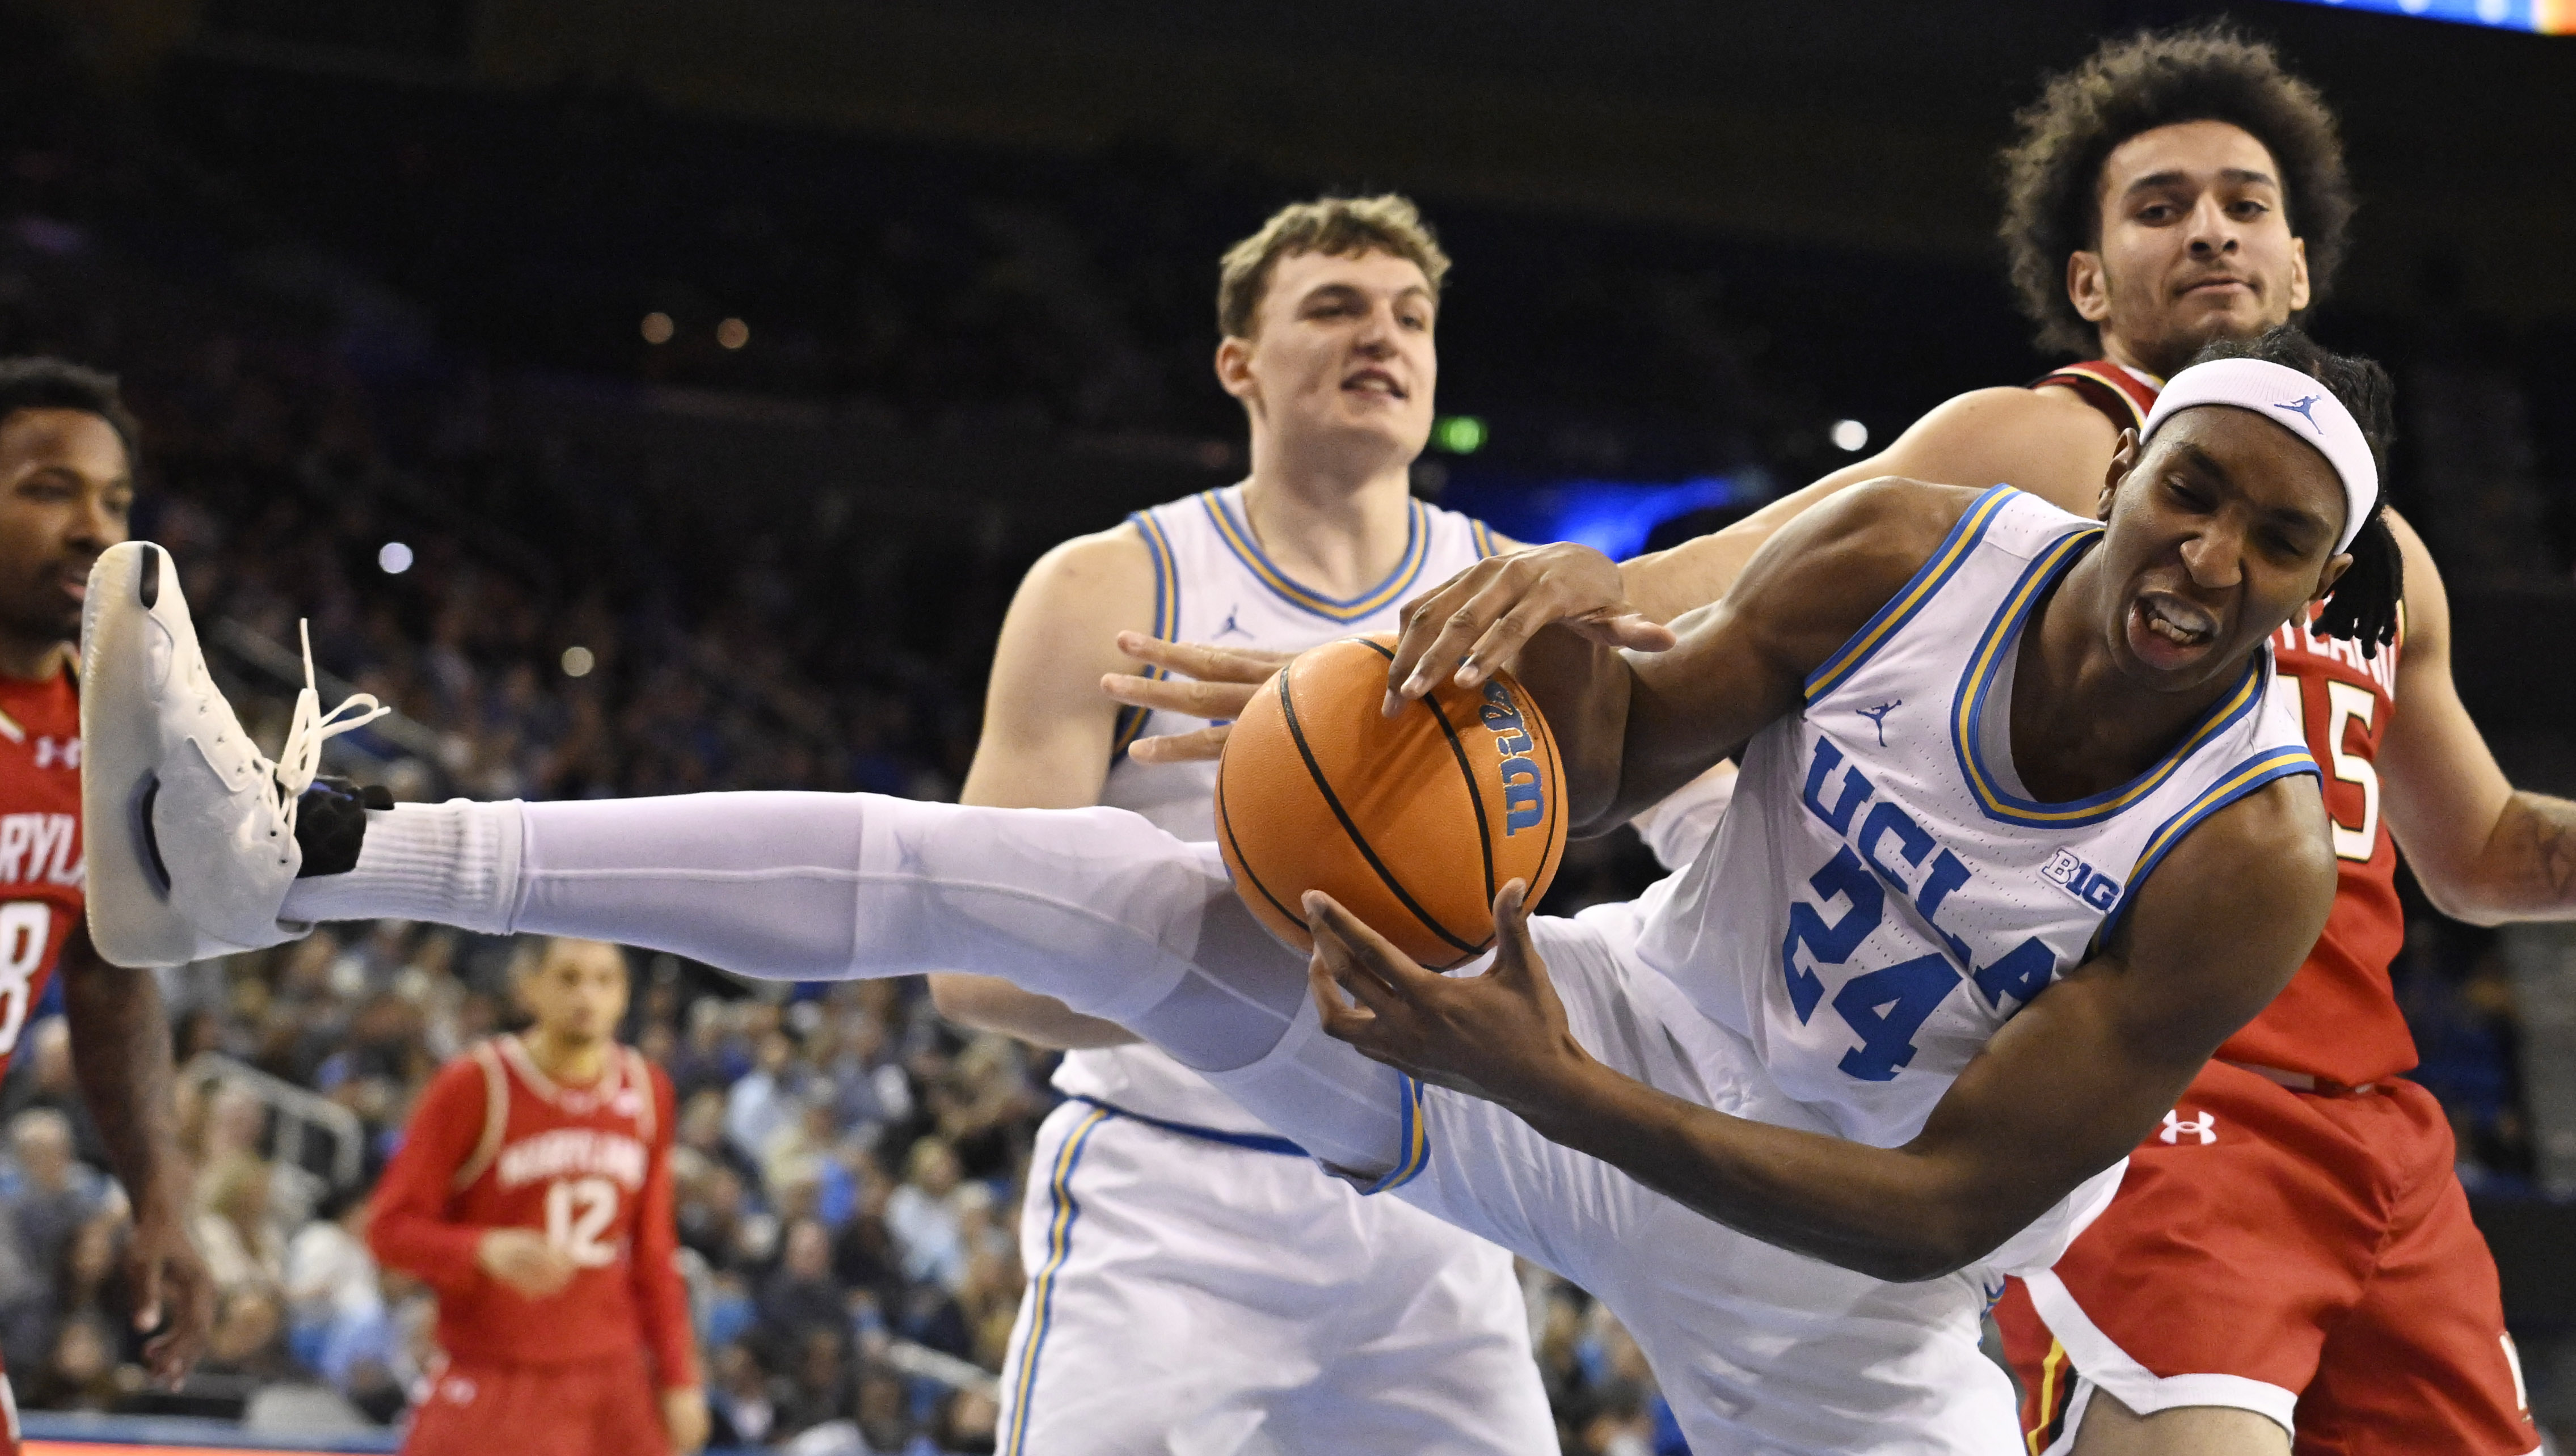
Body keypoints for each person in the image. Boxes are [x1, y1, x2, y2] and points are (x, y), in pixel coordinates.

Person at [83, 321, 2396, 1451]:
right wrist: (1470, 654)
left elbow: (1928, 1206)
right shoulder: (1912, 545)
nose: (2203, 554)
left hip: (1838, 1299)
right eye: (2184, 488)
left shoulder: (2243, 857)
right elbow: (1617, 767)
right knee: (1069, 877)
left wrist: (1539, 1076)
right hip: (1590, 1032)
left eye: (2268, 542)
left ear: (2312, 587)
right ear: (2129, 472)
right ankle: (298, 857)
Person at [1198, 27, 2535, 1455]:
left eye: (2242, 202)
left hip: (2372, 1120)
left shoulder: (2378, 552)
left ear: (2299, 267)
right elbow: (1691, 587)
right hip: (2140, 1095)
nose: (2207, 227)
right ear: (2086, 284)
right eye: (2157, 207)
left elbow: (2476, 851)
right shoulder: (2025, 441)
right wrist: (1361, 675)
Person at [926, 193, 1550, 1455]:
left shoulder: (1512, 597)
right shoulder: (1108, 582)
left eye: (1410, 316)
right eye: (1332, 306)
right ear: (1237, 364)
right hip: (1170, 1192)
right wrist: (1262, 980)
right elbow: (973, 960)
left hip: (1428, 1188)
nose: (1381, 335)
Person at [0, 359, 213, 1446]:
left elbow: (109, 966)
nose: (94, 527)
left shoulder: (103, 733)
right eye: (48, 488)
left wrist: (161, 1193)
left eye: (116, 500)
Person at [362, 938, 706, 1456]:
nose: (586, 995)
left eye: (603, 979)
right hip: (499, 1368)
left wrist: (679, 1378)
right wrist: (481, 1249)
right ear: (529, 987)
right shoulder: (476, 1083)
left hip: (614, 1373)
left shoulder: (647, 1087)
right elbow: (388, 1229)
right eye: (568, 977)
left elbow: (655, 1253)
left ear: (624, 995)